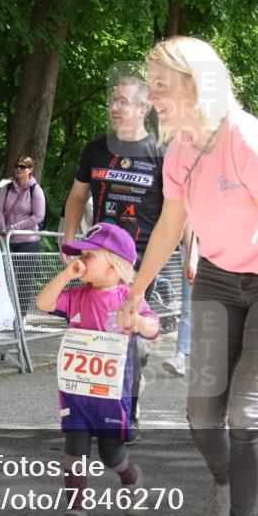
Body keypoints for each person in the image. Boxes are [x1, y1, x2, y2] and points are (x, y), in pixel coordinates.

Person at [119, 36, 258, 516]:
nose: (150, 93)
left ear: (194, 83)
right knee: (203, 415)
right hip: (215, 278)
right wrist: (136, 290)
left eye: (159, 83)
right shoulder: (181, 149)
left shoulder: (248, 141)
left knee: (243, 413)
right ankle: (229, 481)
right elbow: (169, 226)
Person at [35, 223, 158, 516]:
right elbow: (44, 304)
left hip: (112, 394)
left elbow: (154, 328)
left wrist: (137, 320)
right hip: (77, 393)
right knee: (74, 449)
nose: (82, 260)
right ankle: (75, 512)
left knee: (110, 454)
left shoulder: (128, 297)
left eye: (90, 256)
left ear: (115, 265)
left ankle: (131, 478)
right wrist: (65, 275)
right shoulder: (77, 295)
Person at [62, 76, 166, 437]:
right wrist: (70, 240)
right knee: (88, 331)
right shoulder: (96, 149)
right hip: (98, 257)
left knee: (127, 333)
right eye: (113, 100)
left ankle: (127, 412)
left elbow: (176, 212)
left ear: (143, 108)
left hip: (140, 259)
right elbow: (77, 198)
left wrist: (192, 252)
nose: (115, 107)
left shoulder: (160, 153)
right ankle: (86, 412)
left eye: (123, 101)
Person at [0, 155, 46, 316]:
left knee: (24, 280)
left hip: (28, 242)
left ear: (30, 170)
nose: (19, 169)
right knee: (5, 277)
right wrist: (4, 229)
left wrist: (15, 228)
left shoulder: (35, 189)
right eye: (17, 166)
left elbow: (38, 216)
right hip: (8, 240)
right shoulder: (7, 188)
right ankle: (7, 314)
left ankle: (22, 315)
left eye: (23, 167)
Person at [161, 226, 199, 378]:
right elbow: (186, 223)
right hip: (193, 260)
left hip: (224, 262)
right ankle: (180, 357)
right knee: (188, 309)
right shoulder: (192, 202)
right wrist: (190, 258)